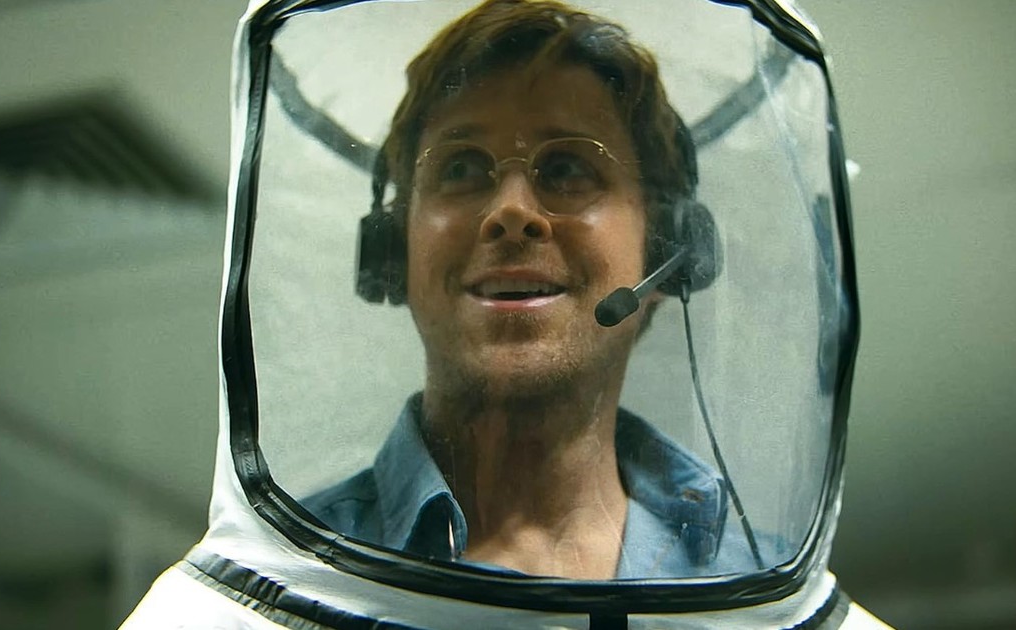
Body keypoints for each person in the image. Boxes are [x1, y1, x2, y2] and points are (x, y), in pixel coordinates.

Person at [303, 0, 770, 580]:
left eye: (569, 168)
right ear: (392, 252)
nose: (512, 212)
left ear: (667, 254)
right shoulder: (275, 575)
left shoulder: (771, 596)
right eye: (460, 168)